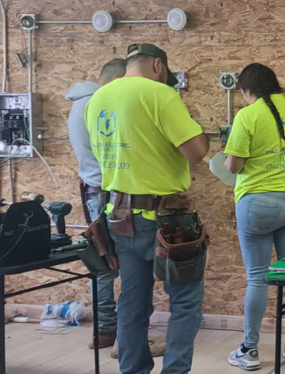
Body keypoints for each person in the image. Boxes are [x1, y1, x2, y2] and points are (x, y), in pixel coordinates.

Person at [87, 43, 209, 374]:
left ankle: (133, 370)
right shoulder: (160, 94)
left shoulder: (97, 100)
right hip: (167, 220)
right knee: (184, 301)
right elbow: (196, 151)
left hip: (120, 216)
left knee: (132, 301)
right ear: (158, 65)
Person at [224, 63, 285, 371]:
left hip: (259, 206)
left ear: (246, 91)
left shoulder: (247, 115)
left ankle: (250, 351)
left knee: (257, 277)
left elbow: (232, 167)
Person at [66, 58, 125, 350]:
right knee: (120, 263)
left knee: (105, 262)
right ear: (118, 79)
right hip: (109, 192)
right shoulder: (99, 104)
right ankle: (119, 334)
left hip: (94, 192)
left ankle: (106, 330)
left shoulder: (79, 104)